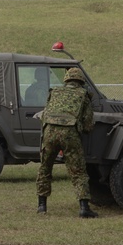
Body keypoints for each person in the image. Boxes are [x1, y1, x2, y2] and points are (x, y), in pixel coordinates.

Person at [36, 67, 96, 217]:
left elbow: (45, 112)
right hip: (70, 133)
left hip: (49, 132)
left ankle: (42, 206)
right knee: (78, 171)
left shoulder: (54, 92)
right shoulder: (84, 95)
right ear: (81, 81)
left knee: (45, 168)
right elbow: (88, 123)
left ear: (66, 79)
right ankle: (84, 208)